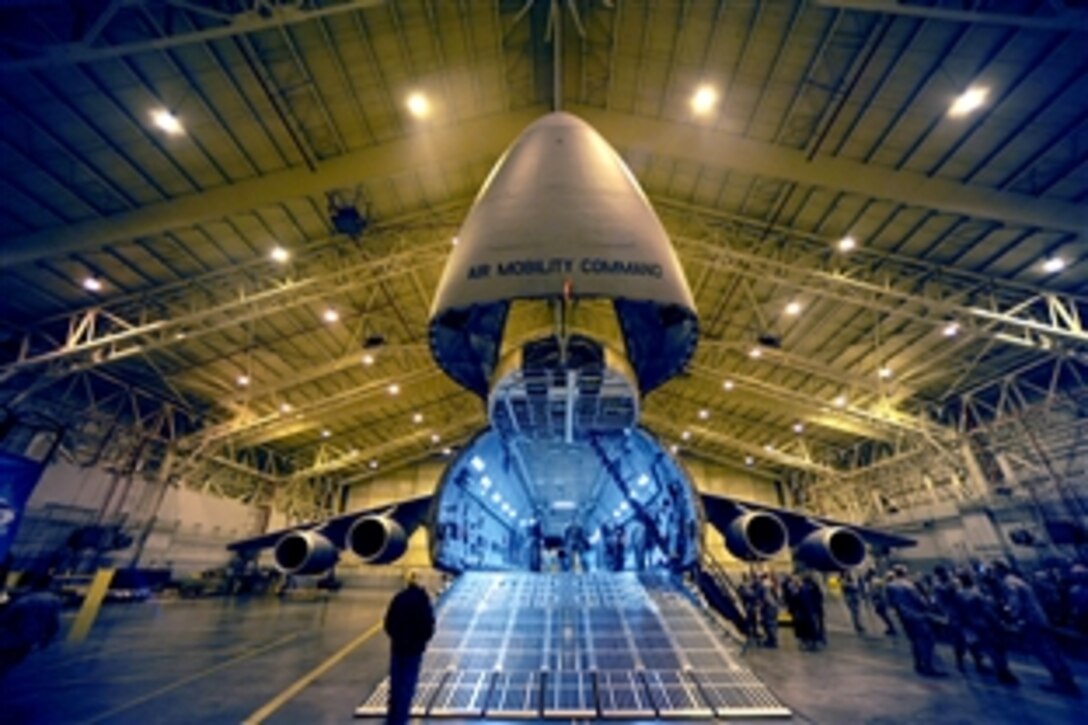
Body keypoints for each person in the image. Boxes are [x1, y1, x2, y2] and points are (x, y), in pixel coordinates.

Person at [992, 560, 1080, 697]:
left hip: (1030, 621)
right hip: (1039, 618)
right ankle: (1065, 679)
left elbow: (1015, 604)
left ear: (999, 571)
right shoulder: (1017, 580)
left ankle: (1062, 682)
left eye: (993, 571)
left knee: (1043, 651)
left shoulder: (1009, 584)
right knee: (1051, 649)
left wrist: (1011, 616)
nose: (993, 575)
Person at [384, 570, 436, 724]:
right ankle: (401, 718)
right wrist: (421, 641)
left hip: (397, 648)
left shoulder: (399, 598)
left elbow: (388, 623)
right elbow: (428, 626)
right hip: (413, 650)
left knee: (395, 684)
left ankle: (392, 718)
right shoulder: (422, 601)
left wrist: (396, 637)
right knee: (407, 684)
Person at [956, 569, 1018, 686]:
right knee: (997, 648)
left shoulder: (960, 594)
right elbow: (987, 611)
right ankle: (1003, 671)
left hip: (973, 625)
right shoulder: (977, 593)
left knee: (988, 648)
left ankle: (998, 669)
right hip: (986, 624)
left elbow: (960, 613)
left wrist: (965, 626)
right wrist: (998, 623)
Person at [886, 565, 945, 677]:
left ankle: (918, 664)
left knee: (914, 641)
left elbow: (890, 602)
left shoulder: (890, 586)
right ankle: (928, 666)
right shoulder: (909, 586)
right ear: (905, 573)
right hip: (917, 616)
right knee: (927, 640)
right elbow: (919, 601)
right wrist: (929, 608)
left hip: (904, 617)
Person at [0, 572, 62, 677]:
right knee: (7, 666)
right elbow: (54, 622)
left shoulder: (23, 601)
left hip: (8, 639)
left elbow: (6, 618)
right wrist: (47, 639)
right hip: (27, 640)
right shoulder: (53, 600)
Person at [933, 565, 986, 674]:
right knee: (961, 641)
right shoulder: (940, 586)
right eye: (943, 573)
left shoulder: (953, 584)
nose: (946, 574)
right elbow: (942, 600)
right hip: (956, 616)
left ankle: (977, 662)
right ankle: (962, 662)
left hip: (962, 616)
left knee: (972, 640)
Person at [867, 570, 897, 636]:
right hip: (879, 599)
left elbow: (878, 590)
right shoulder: (875, 581)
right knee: (881, 613)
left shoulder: (875, 581)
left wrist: (875, 597)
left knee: (882, 612)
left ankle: (892, 627)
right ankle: (891, 627)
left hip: (880, 599)